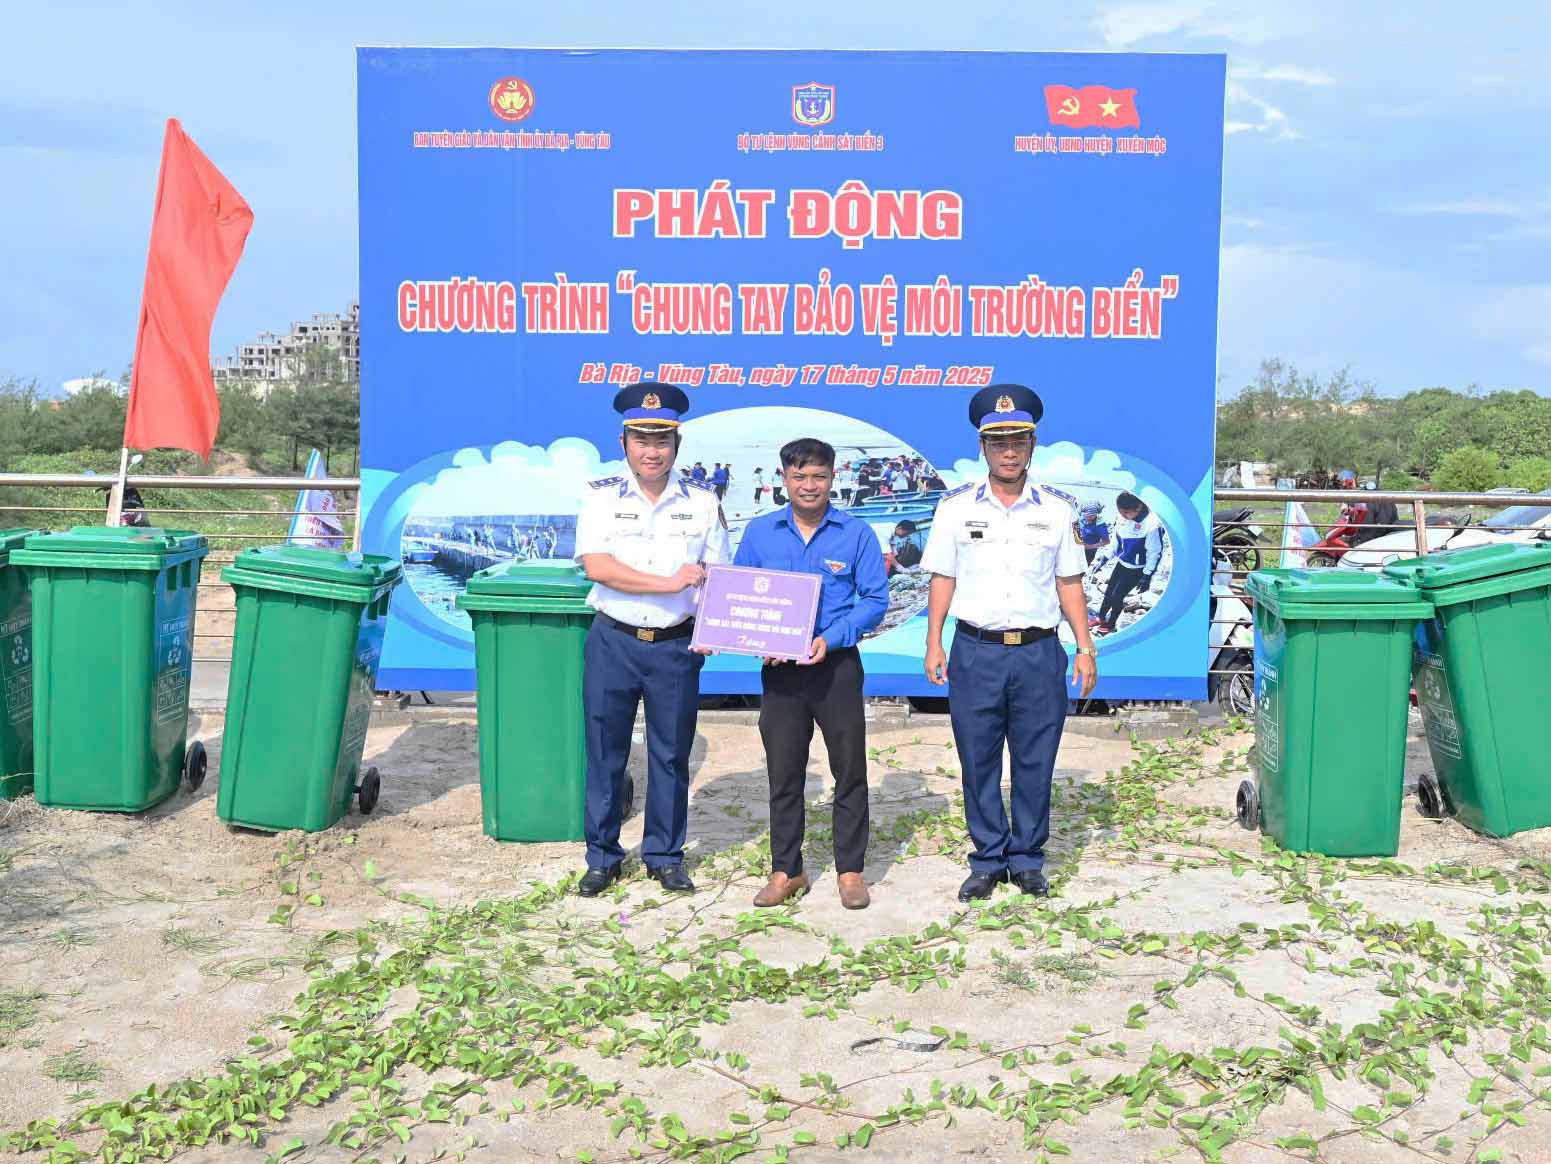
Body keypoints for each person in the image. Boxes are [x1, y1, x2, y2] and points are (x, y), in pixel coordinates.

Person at [921, 384, 1097, 902]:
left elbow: (1069, 582)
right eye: (998, 442)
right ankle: (987, 859)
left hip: (1038, 653)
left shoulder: (1057, 510)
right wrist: (933, 642)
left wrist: (1085, 647)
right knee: (977, 758)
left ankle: (1027, 860)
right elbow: (942, 577)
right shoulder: (955, 508)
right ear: (983, 447)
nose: (1008, 452)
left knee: (1035, 759)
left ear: (1032, 445)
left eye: (1018, 441)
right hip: (975, 651)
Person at [573, 382, 731, 897]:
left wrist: (712, 627)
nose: (652, 451)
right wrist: (669, 583)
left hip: (675, 647)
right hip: (613, 641)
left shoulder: (703, 502)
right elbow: (598, 567)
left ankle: (664, 855)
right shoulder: (600, 497)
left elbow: (719, 575)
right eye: (642, 440)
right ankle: (602, 857)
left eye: (662, 440)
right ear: (624, 443)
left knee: (670, 754)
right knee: (605, 752)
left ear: (676, 445)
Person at [733, 438, 889, 910]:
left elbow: (875, 600)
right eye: (799, 476)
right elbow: (741, 596)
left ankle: (850, 870)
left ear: (832, 477)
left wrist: (834, 636)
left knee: (849, 770)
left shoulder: (856, 534)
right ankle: (787, 870)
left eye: (818, 476)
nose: (809, 485)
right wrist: (760, 640)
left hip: (836, 667)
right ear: (783, 479)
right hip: (780, 672)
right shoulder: (760, 533)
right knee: (783, 773)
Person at [1090, 492, 1162, 633]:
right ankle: (1101, 618)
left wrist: (1147, 575)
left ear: (1139, 507)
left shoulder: (1152, 525)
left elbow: (1154, 553)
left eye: (1126, 512)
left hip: (1137, 569)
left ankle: (1111, 624)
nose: (1122, 516)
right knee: (1108, 592)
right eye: (1120, 512)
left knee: (1117, 596)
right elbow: (1116, 541)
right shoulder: (1122, 518)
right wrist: (1105, 558)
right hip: (1122, 563)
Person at [1077, 501, 1110, 566]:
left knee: (1082, 568)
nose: (1089, 518)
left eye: (1092, 516)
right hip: (1078, 549)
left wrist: (1090, 546)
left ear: (1096, 514)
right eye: (1087, 515)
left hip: (1089, 552)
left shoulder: (1100, 525)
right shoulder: (1082, 519)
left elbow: (1106, 541)